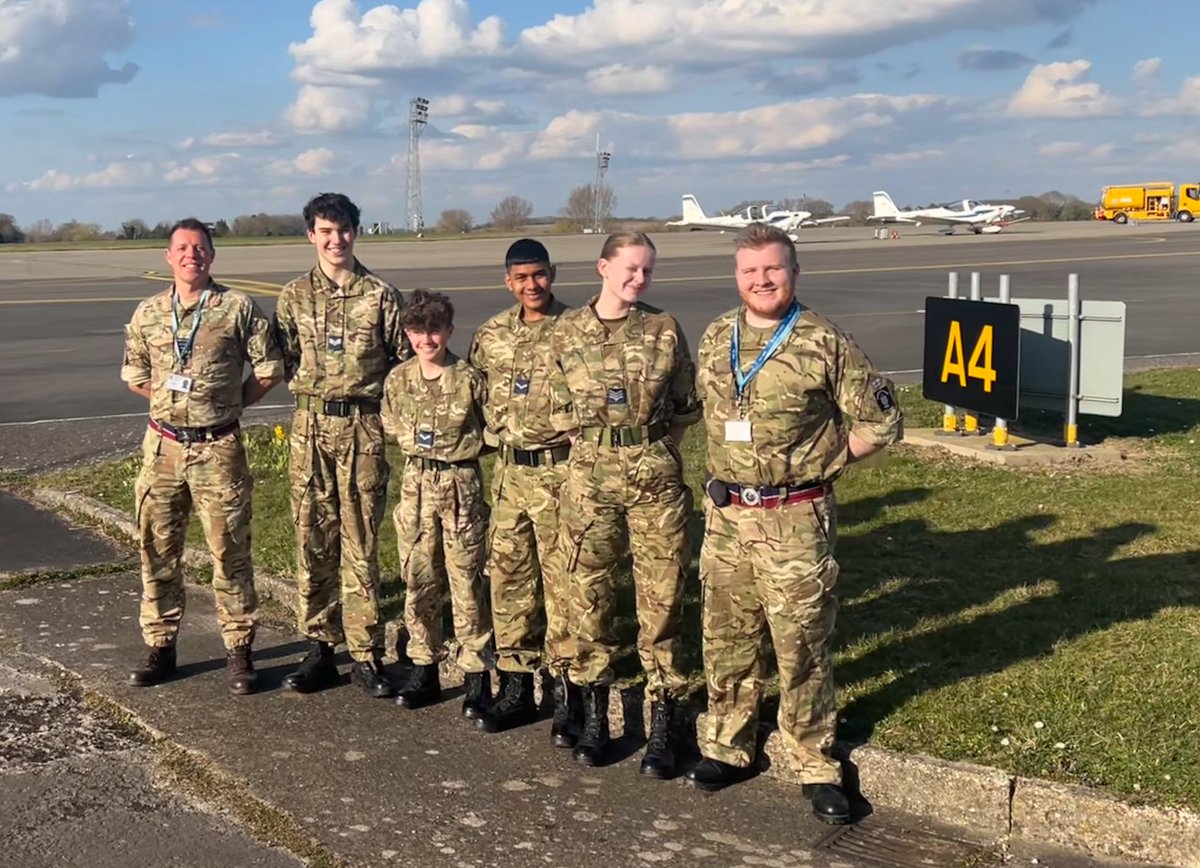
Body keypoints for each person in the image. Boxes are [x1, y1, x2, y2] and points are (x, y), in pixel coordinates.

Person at [683, 224, 903, 825]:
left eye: (773, 269)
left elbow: (882, 422)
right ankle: (728, 746)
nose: (762, 280)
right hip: (727, 517)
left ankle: (814, 762)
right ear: (737, 276)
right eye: (750, 271)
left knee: (800, 643)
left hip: (795, 518)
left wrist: (827, 462)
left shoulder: (824, 341)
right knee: (726, 637)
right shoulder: (716, 335)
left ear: (794, 273)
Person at [549, 231, 699, 775]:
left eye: (647, 271)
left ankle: (663, 720)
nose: (639, 279)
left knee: (661, 597)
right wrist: (598, 450)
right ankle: (596, 715)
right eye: (631, 269)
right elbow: (560, 407)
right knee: (587, 594)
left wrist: (652, 450)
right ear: (603, 268)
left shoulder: (663, 329)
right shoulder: (567, 331)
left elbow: (684, 406)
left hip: (653, 476)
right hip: (590, 478)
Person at [120, 218, 284, 695]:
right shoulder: (149, 312)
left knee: (230, 551)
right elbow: (134, 375)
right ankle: (160, 645)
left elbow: (270, 369)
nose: (191, 255)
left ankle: (239, 649)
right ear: (168, 257)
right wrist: (170, 405)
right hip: (163, 448)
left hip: (218, 448)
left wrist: (229, 404)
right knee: (157, 549)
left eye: (200, 248)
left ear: (212, 255)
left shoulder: (237, 308)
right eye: (182, 248)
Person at [273, 192, 408, 698]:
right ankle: (320, 645)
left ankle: (366, 650)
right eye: (326, 232)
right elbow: (285, 358)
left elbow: (402, 366)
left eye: (344, 229)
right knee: (312, 535)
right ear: (311, 235)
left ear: (357, 231)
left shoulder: (381, 295)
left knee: (361, 537)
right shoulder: (293, 297)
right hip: (309, 427)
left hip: (361, 428)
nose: (336, 240)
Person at [467, 239, 577, 741]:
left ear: (552, 273)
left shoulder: (576, 330)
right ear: (507, 282)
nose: (532, 286)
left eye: (539, 275)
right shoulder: (491, 335)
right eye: (521, 278)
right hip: (510, 474)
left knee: (564, 584)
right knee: (509, 581)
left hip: (561, 473)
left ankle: (566, 689)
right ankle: (515, 684)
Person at [381, 290, 493, 718]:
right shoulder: (398, 380)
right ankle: (423, 666)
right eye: (417, 331)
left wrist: (459, 454)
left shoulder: (468, 378)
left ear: (448, 330)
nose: (426, 340)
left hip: (459, 484)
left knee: (467, 580)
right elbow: (392, 425)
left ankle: (476, 674)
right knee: (419, 578)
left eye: (434, 330)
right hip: (417, 485)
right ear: (407, 334)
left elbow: (490, 430)